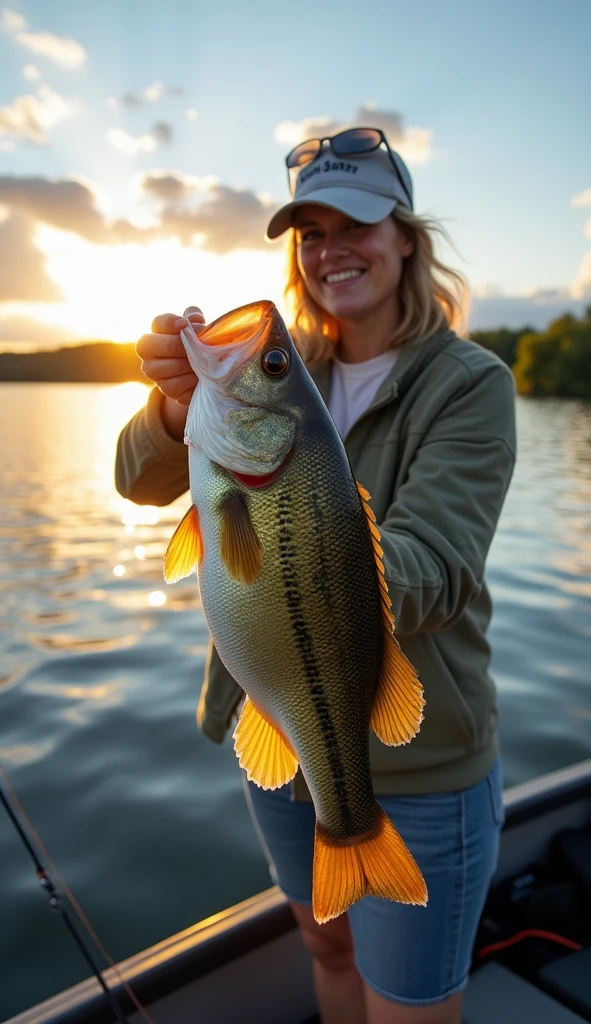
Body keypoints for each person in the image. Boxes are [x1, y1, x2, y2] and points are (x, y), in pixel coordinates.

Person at [115, 127, 516, 1024]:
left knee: (407, 1002)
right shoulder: (280, 377)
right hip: (281, 730)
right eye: (310, 232)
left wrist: (322, 555)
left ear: (406, 235)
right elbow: (136, 481)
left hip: (425, 767)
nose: (331, 249)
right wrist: (176, 410)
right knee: (326, 944)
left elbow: (439, 568)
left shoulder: (469, 383)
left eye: (356, 223)